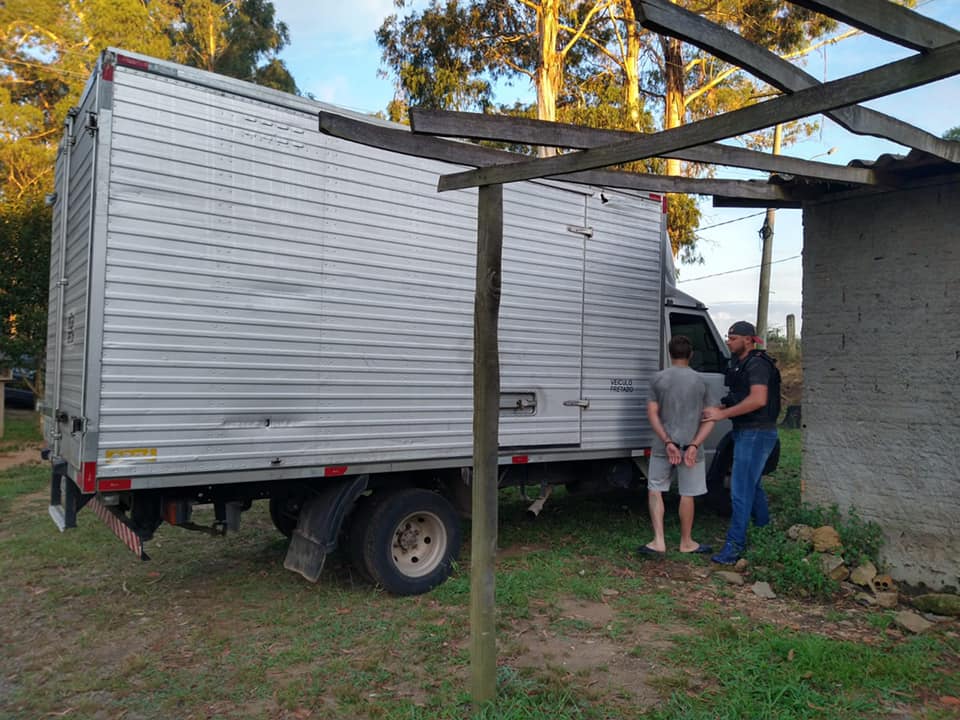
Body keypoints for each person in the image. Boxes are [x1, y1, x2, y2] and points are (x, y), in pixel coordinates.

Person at [702, 321, 781, 565]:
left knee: (740, 491)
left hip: (756, 433)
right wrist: (721, 406)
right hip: (748, 431)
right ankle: (765, 532)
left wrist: (721, 415)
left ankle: (733, 547)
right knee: (752, 485)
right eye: (728, 337)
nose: (728, 341)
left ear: (748, 339)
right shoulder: (740, 364)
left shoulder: (757, 364)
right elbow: (742, 395)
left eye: (733, 338)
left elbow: (758, 400)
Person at [638, 335, 715, 556]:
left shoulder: (657, 379)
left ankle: (658, 541)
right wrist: (693, 445)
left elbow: (652, 414)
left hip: (664, 446)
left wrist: (668, 441)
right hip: (692, 447)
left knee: (655, 489)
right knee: (687, 494)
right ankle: (687, 542)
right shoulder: (702, 381)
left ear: (670, 354)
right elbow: (710, 418)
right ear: (690, 355)